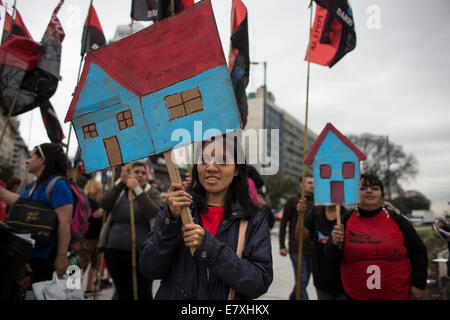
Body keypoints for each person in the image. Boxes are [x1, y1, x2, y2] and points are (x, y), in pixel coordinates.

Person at [139, 136, 273, 299]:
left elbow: (258, 282)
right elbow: (150, 268)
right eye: (204, 159)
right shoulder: (178, 209)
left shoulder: (253, 219)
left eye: (223, 161)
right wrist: (169, 221)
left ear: (237, 169)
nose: (211, 167)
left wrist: (209, 247)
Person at [326, 173, 428, 300]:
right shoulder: (344, 220)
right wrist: (334, 243)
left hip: (397, 295)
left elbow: (419, 252)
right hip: (355, 296)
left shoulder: (398, 220)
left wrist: (418, 285)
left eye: (374, 188)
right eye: (362, 189)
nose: (369, 191)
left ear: (382, 195)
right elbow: (330, 257)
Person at [0, 143, 73, 283]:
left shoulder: (59, 185)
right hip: (27, 253)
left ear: (43, 159)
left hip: (44, 256)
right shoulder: (36, 185)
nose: (27, 160)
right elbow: (21, 202)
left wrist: (62, 256)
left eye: (31, 156)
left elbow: (65, 224)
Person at [99, 161, 161, 300]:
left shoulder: (152, 192)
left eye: (143, 173)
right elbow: (104, 203)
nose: (140, 175)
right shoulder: (120, 191)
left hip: (143, 252)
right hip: (115, 251)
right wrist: (121, 182)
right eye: (136, 172)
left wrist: (138, 190)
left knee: (143, 291)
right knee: (123, 290)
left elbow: (152, 211)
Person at [295, 202, 348, 300]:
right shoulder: (315, 212)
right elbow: (300, 237)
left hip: (344, 281)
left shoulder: (348, 215)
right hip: (322, 279)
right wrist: (300, 215)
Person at [279, 175, 314, 300]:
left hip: (312, 249)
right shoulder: (293, 201)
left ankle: (293, 297)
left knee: (304, 281)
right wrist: (282, 245)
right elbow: (283, 223)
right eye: (309, 182)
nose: (312, 185)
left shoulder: (318, 202)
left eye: (313, 183)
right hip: (296, 248)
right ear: (301, 184)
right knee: (302, 279)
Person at [81, 178, 104, 296]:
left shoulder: (88, 200)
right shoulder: (90, 201)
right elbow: (95, 214)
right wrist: (100, 211)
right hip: (88, 237)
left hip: (93, 237)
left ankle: (89, 286)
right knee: (82, 263)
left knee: (94, 262)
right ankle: (73, 288)